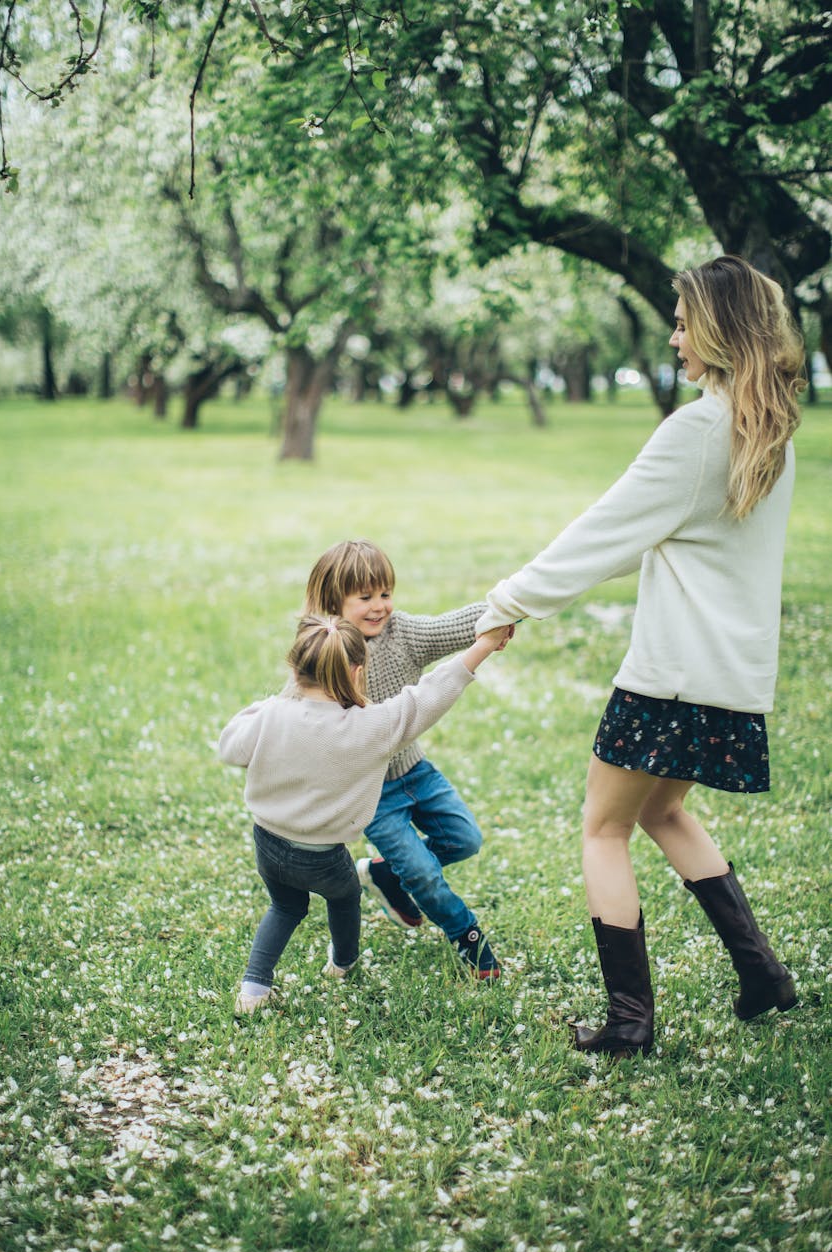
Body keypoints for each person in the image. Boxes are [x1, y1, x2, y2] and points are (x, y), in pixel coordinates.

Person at [475, 255, 803, 1055]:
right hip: (728, 678)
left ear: (720, 331)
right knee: (661, 811)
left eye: (685, 320)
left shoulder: (696, 430)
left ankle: (629, 1024)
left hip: (667, 678)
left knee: (602, 830)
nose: (673, 334)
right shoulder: (767, 428)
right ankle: (762, 976)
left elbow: (600, 533)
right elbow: (648, 534)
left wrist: (504, 603)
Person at [219, 613, 510, 1013]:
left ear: (295, 669)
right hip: (322, 856)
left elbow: (230, 747)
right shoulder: (371, 727)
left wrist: (275, 702)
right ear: (357, 673)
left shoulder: (272, 715)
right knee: (345, 897)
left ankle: (253, 989)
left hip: (267, 844)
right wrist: (482, 647)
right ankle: (344, 963)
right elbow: (428, 695)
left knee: (284, 907)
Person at [304, 541, 510, 978]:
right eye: (365, 598)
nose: (380, 607)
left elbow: (453, 626)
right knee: (424, 875)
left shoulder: (403, 633)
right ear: (333, 602)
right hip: (372, 791)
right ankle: (468, 938)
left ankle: (385, 875)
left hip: (416, 772)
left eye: (385, 593)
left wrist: (509, 607)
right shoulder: (326, 651)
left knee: (464, 839)